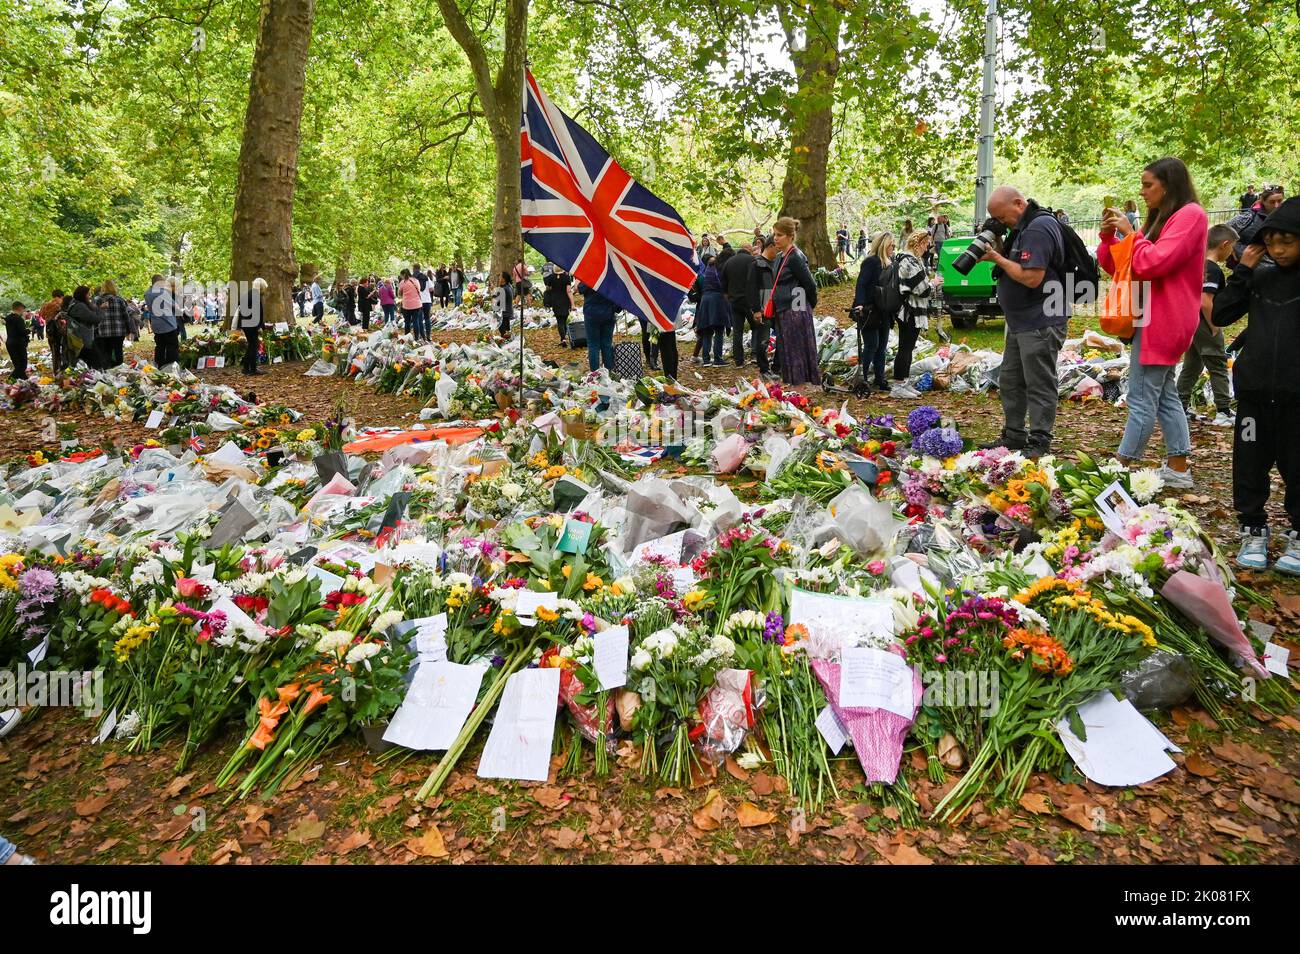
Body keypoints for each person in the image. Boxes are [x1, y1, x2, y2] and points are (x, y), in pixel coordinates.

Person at [1099, 156, 1206, 488]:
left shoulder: (1191, 215)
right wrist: (1108, 239)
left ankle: (1121, 466)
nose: (1142, 192)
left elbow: (1152, 264)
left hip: (1165, 319)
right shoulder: (1162, 218)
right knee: (1164, 396)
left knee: (1142, 397)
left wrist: (1132, 235)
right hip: (1152, 316)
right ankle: (1178, 468)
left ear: (1168, 185)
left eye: (1148, 185)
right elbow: (1121, 265)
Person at [1212, 196, 1300, 570]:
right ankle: (1253, 529)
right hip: (1254, 393)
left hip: (1297, 397)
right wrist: (1244, 270)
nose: (1278, 250)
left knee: (1298, 465)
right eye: (1272, 241)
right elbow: (1221, 312)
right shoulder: (1259, 274)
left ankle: (1297, 537)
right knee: (1249, 464)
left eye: (1288, 241)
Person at [975, 186, 1071, 457]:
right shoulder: (1023, 226)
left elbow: (1031, 277)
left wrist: (996, 258)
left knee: (1038, 381)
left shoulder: (1038, 228)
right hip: (1022, 322)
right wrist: (999, 247)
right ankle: (1014, 435)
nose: (1002, 223)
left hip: (1040, 319)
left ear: (1019, 203)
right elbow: (1015, 261)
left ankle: (1040, 439)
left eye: (1003, 217)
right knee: (1010, 380)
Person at [1176, 224, 1236, 426]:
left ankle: (1180, 406)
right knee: (1217, 363)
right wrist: (1214, 324)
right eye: (1232, 247)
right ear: (1224, 244)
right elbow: (1205, 300)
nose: (1232, 253)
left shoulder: (1197, 264)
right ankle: (1223, 411)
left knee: (1192, 365)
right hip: (1204, 322)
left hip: (1190, 322)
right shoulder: (1212, 269)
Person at [770, 216, 820, 387]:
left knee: (797, 350)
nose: (775, 238)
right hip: (783, 310)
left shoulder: (796, 256)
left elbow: (810, 284)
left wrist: (808, 305)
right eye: (774, 234)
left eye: (780, 235)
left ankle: (800, 390)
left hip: (796, 309)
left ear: (790, 236)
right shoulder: (779, 257)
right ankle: (793, 386)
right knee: (787, 350)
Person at [851, 232, 894, 392]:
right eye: (891, 245)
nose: (893, 248)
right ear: (884, 246)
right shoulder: (871, 262)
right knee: (871, 344)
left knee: (882, 346)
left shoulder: (889, 263)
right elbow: (861, 284)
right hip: (869, 309)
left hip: (883, 309)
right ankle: (862, 378)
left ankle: (880, 378)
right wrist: (860, 304)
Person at [893, 230, 934, 380]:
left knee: (906, 347)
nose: (927, 248)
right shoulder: (911, 261)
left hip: (906, 308)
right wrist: (933, 284)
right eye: (926, 244)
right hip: (911, 310)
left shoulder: (903, 258)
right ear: (920, 243)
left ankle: (902, 381)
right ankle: (900, 382)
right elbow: (922, 290)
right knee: (906, 348)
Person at [721, 239, 760, 370]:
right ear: (749, 249)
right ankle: (755, 354)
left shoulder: (729, 262)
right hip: (749, 300)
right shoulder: (752, 261)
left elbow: (723, 281)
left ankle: (739, 360)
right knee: (756, 326)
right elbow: (756, 281)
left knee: (737, 331)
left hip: (734, 300)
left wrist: (728, 295)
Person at [689, 254, 730, 367]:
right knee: (719, 330)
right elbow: (724, 286)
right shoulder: (719, 273)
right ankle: (717, 359)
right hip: (717, 301)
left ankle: (706, 360)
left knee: (707, 331)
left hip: (705, 302)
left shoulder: (705, 273)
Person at [748, 236, 781, 375]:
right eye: (777, 248)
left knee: (783, 338)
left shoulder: (778, 263)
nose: (779, 251)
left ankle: (777, 367)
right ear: (771, 246)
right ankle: (764, 368)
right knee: (763, 341)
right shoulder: (756, 264)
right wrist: (756, 310)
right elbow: (751, 288)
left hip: (778, 308)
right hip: (763, 309)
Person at [1228, 186, 1285, 259]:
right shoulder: (1249, 216)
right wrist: (1235, 249)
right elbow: (1222, 231)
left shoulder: (1286, 217)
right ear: (1263, 201)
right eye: (1272, 202)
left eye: (1279, 201)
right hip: (1248, 264)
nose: (1276, 206)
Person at [578, 280, 619, 371]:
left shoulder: (591, 275)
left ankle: (595, 373)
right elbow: (619, 293)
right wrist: (616, 309)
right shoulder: (611, 276)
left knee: (593, 345)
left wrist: (578, 281)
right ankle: (609, 371)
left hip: (591, 313)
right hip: (608, 312)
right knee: (607, 344)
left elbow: (580, 289)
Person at [92, 280, 130, 368]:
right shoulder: (120, 300)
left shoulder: (97, 300)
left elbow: (94, 316)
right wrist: (128, 329)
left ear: (103, 288)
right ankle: (119, 371)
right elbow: (126, 316)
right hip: (118, 331)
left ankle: (106, 372)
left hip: (103, 332)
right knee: (118, 352)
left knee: (105, 353)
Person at [145, 274, 179, 367]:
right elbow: (175, 306)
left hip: (156, 324)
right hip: (168, 324)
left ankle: (159, 366)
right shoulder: (163, 292)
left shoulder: (147, 293)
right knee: (172, 347)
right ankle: (170, 367)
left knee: (160, 347)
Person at [235, 277, 266, 375]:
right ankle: (252, 368)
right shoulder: (256, 296)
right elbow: (258, 313)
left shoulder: (247, 294)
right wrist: (260, 327)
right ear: (261, 287)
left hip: (245, 324)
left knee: (251, 346)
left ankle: (246, 368)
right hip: (252, 324)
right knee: (253, 346)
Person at [65, 285, 101, 369]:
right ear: (82, 295)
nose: (90, 296)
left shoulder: (76, 304)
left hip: (81, 337)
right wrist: (102, 310)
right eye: (88, 294)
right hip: (83, 339)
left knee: (86, 361)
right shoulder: (80, 306)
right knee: (94, 361)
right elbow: (95, 319)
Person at [543, 264, 573, 345]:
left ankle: (563, 339)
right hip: (565, 301)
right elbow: (569, 291)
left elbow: (547, 289)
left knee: (559, 321)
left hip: (555, 301)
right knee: (564, 320)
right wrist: (572, 304)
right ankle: (564, 338)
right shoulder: (566, 277)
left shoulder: (551, 277)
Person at [40, 290, 65, 373]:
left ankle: (56, 370)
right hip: (61, 329)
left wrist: (49, 318)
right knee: (64, 350)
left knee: (54, 351)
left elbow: (42, 316)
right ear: (61, 296)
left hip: (50, 330)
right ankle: (64, 369)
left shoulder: (46, 305)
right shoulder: (61, 303)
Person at [5, 300, 30, 380]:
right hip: (18, 343)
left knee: (17, 364)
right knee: (22, 365)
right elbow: (22, 332)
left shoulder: (8, 318)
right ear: (20, 308)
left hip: (9, 343)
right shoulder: (19, 319)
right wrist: (30, 330)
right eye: (23, 309)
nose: (23, 311)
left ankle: (24, 380)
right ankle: (10, 379)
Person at [398, 268, 422, 336]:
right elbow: (419, 290)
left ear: (403, 275)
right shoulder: (416, 280)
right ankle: (416, 337)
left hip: (407, 305)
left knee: (407, 322)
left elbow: (399, 294)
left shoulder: (403, 282)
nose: (401, 277)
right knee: (415, 321)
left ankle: (407, 337)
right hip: (417, 304)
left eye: (401, 276)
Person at [413, 263, 433, 340]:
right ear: (420, 268)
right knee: (427, 318)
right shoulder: (426, 277)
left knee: (419, 319)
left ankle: (422, 336)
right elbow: (431, 289)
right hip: (427, 300)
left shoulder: (413, 279)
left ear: (413, 269)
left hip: (418, 301)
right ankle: (429, 335)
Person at [495, 271, 515, 337]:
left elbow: (498, 302)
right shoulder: (509, 286)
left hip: (504, 313)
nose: (499, 279)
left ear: (503, 279)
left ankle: (506, 345)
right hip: (508, 312)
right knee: (506, 331)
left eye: (500, 277)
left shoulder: (503, 289)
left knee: (503, 333)